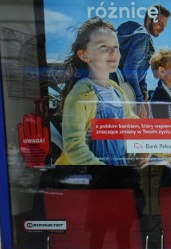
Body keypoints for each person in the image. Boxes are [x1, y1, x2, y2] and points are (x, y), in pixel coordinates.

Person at [55, 18, 138, 166]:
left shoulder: (117, 91)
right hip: (94, 178)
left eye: (116, 46)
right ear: (84, 55)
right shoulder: (81, 94)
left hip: (118, 170)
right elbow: (74, 146)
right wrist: (103, 173)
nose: (113, 52)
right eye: (103, 47)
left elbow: (136, 128)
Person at [115, 4, 171, 119]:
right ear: (149, 19)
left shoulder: (136, 33)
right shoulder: (143, 38)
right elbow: (130, 70)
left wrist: (144, 94)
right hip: (125, 94)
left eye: (165, 26)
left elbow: (140, 72)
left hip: (117, 91)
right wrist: (139, 101)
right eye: (160, 24)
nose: (162, 29)